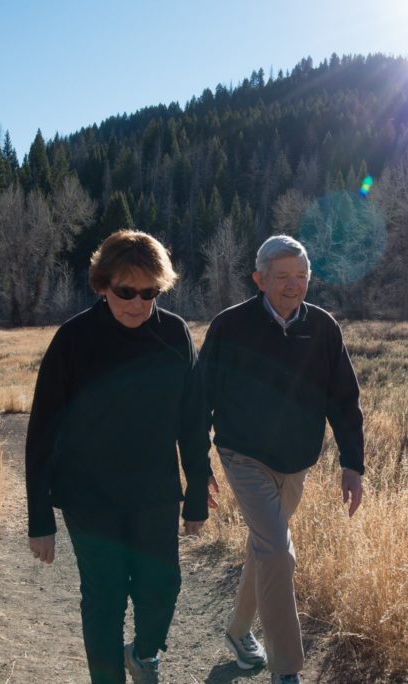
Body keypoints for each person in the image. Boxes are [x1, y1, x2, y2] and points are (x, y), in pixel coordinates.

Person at [25, 229, 216, 684]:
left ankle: (144, 653)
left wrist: (196, 491)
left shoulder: (174, 334)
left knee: (162, 587)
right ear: (102, 285)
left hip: (155, 492)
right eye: (126, 291)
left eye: (150, 293)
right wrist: (39, 519)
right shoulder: (73, 340)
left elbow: (193, 421)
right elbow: (42, 433)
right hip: (88, 497)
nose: (138, 303)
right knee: (104, 599)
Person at [199, 235, 365, 684]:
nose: (294, 285)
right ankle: (286, 669)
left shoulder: (323, 327)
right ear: (259, 279)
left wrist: (352, 464)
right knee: (277, 550)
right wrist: (198, 465)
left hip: (296, 462)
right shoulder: (230, 326)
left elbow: (343, 399)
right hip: (243, 455)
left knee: (266, 551)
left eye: (301, 276)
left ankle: (237, 632)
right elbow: (199, 397)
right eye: (282, 277)